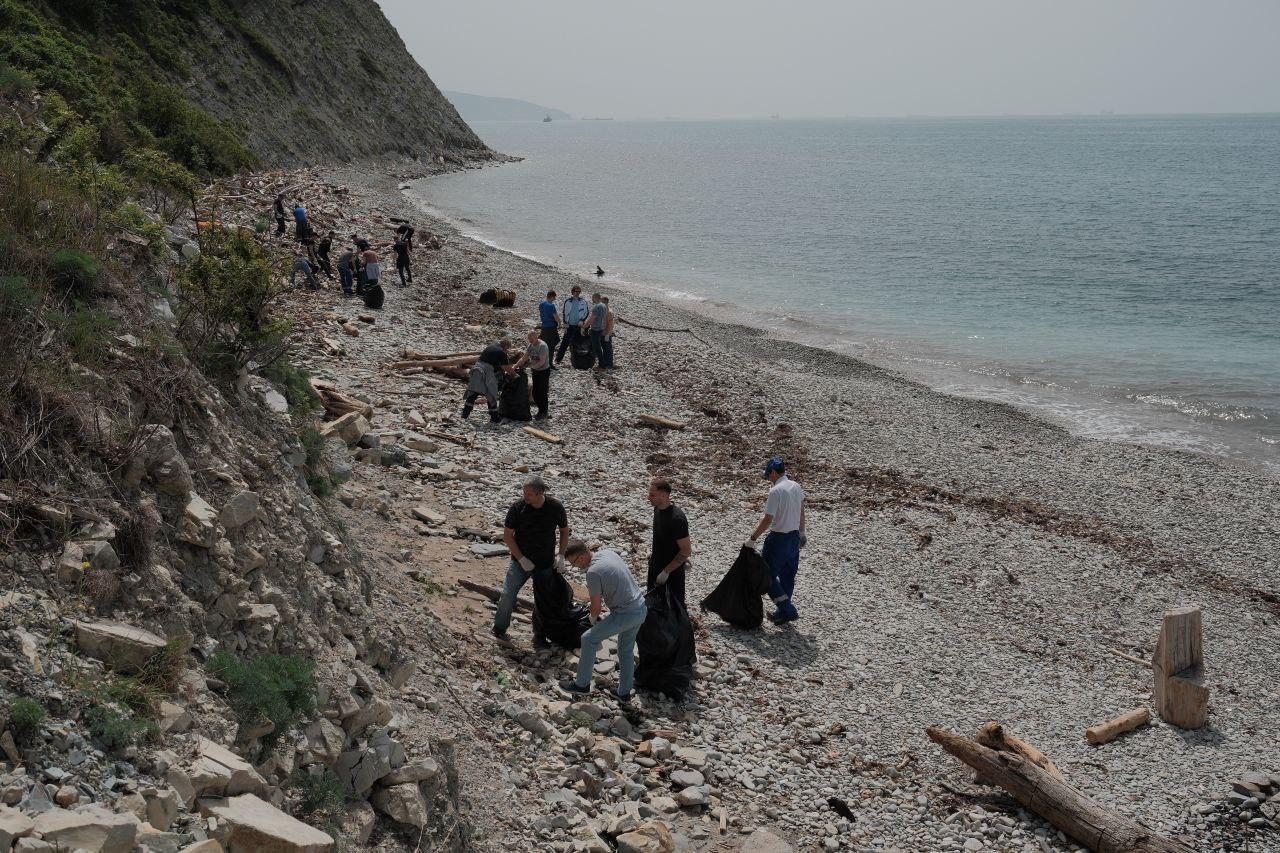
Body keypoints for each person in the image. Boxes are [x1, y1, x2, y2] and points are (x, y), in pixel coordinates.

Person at [559, 539, 647, 700]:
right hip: (640, 608)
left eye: (574, 563)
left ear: (581, 556)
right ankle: (624, 693)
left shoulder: (593, 573)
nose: (575, 567)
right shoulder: (608, 553)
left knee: (588, 639)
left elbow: (596, 607)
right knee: (625, 650)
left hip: (625, 613)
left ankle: (582, 684)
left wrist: (592, 620)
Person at [494, 475, 570, 640]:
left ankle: (540, 636)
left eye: (529, 494)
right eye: (524, 493)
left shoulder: (555, 507)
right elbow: (507, 536)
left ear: (540, 492)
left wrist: (561, 555)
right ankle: (499, 628)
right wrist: (521, 558)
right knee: (507, 595)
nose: (525, 496)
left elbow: (564, 531)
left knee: (543, 601)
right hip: (519, 562)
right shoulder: (518, 507)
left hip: (544, 563)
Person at [747, 457, 807, 623]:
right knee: (788, 575)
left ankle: (788, 609)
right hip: (794, 537)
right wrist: (802, 531)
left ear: (773, 472)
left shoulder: (775, 491)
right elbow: (802, 511)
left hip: (778, 539)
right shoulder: (796, 486)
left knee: (767, 575)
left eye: (768, 475)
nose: (769, 479)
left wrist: (753, 538)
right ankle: (782, 612)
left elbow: (768, 519)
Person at [647, 479, 691, 608]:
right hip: (655, 566)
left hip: (672, 572)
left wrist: (666, 571)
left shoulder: (677, 519)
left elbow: (686, 550)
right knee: (654, 606)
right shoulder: (657, 509)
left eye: (652, 495)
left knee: (675, 608)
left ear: (663, 495)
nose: (648, 498)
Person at [462, 339, 512, 422]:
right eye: (508, 348)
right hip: (487, 372)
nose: (508, 349)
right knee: (491, 393)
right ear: (505, 346)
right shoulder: (501, 352)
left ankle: (464, 415)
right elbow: (505, 367)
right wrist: (514, 374)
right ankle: (494, 418)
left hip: (477, 369)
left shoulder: (491, 346)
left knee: (473, 393)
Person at [514, 329, 552, 419]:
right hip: (535, 371)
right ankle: (540, 411)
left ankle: (544, 412)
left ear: (536, 337)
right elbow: (523, 358)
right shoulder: (531, 345)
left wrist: (531, 367)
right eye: (529, 339)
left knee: (542, 392)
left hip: (543, 371)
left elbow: (542, 362)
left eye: (532, 339)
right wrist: (514, 367)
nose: (530, 341)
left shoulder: (542, 346)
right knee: (535, 392)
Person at [555, 286, 589, 364]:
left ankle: (578, 362)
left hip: (578, 326)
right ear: (572, 292)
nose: (577, 293)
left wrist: (582, 320)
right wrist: (565, 324)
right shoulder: (567, 302)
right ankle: (558, 360)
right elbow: (564, 313)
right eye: (576, 291)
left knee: (578, 344)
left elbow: (587, 312)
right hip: (569, 326)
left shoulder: (583, 302)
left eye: (579, 292)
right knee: (564, 343)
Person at [587, 292, 607, 370]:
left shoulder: (596, 307)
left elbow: (592, 318)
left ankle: (602, 365)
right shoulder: (604, 306)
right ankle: (599, 363)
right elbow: (604, 318)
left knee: (597, 348)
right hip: (601, 329)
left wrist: (584, 326)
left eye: (592, 298)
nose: (592, 299)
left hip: (595, 329)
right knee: (598, 347)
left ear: (595, 297)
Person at [538, 290, 560, 361]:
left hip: (544, 327)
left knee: (544, 343)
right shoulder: (551, 305)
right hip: (551, 327)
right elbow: (556, 317)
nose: (554, 299)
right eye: (554, 297)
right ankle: (549, 362)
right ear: (552, 297)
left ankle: (542, 359)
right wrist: (559, 323)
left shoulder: (541, 304)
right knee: (552, 345)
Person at [601, 295, 616, 370]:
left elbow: (611, 325)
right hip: (601, 333)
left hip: (606, 334)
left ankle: (609, 365)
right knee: (603, 349)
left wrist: (607, 334)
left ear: (606, 302)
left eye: (602, 302)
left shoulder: (609, 312)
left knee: (607, 349)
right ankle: (604, 364)